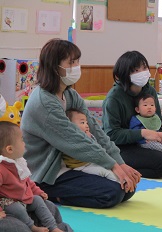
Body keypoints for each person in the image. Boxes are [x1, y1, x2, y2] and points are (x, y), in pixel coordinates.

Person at [21, 38, 141, 209]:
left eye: (77, 61)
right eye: (72, 62)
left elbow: (95, 129)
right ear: (55, 67)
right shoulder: (44, 102)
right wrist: (112, 165)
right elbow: (75, 140)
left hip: (72, 164)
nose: (77, 66)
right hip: (46, 174)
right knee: (113, 192)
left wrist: (119, 163)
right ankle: (52, 195)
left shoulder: (70, 94)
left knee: (127, 187)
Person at [102, 51, 162, 178]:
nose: (142, 73)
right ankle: (117, 167)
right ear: (123, 75)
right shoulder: (114, 98)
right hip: (122, 147)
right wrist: (143, 133)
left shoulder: (150, 91)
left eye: (144, 68)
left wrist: (161, 133)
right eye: (135, 70)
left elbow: (157, 119)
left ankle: (150, 164)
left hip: (148, 142)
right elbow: (111, 134)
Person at [0, 121, 63, 232]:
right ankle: (32, 227)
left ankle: (53, 227)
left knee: (39, 201)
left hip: (22, 199)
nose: (24, 143)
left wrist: (37, 192)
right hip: (8, 203)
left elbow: (27, 181)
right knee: (17, 209)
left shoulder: (18, 163)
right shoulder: (2, 168)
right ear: (10, 149)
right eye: (21, 140)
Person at [63, 108, 119, 182]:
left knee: (109, 170)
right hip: (81, 167)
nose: (86, 126)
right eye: (82, 123)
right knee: (106, 173)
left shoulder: (87, 135)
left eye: (86, 123)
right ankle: (120, 182)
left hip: (90, 163)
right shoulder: (70, 138)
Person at [129, 94, 162, 159]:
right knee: (155, 145)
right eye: (145, 105)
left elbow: (157, 125)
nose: (149, 107)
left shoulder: (155, 117)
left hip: (159, 138)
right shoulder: (136, 119)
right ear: (137, 109)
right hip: (146, 142)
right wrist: (143, 139)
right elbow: (134, 132)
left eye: (152, 105)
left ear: (155, 108)